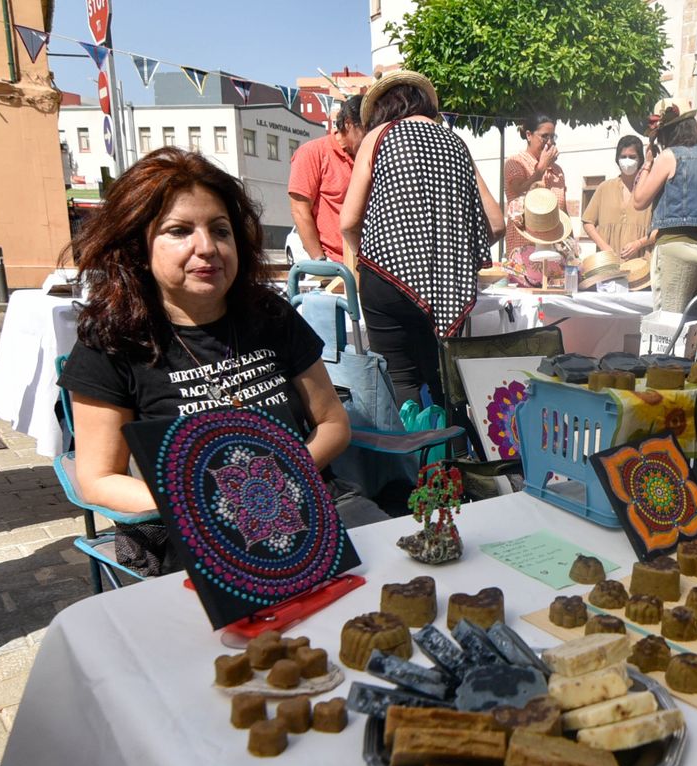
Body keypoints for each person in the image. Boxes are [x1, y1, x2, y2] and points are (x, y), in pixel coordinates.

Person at [59, 147, 387, 575]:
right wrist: (204, 504)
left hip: (312, 503)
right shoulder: (113, 342)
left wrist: (284, 482)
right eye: (179, 231)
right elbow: (98, 479)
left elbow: (332, 425)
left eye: (220, 230)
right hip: (194, 529)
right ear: (139, 247)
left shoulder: (270, 316)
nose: (207, 248)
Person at [340, 70, 504, 407]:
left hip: (386, 277)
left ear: (381, 108)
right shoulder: (456, 143)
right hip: (448, 286)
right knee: (444, 380)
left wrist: (366, 256)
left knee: (400, 378)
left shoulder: (378, 137)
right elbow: (496, 225)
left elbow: (349, 221)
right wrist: (454, 251)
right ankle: (455, 456)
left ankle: (411, 458)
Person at [632, 103, 697, 313]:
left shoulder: (669, 157)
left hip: (675, 250)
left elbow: (639, 201)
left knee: (669, 325)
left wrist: (647, 163)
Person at [288, 95, 365, 264]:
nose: (369, 136)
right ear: (349, 124)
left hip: (366, 264)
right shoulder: (313, 153)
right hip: (332, 263)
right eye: (366, 129)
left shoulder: (367, 157)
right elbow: (300, 210)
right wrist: (320, 262)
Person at [582, 136, 654, 261]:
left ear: (640, 159)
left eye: (632, 157)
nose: (627, 160)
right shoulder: (604, 188)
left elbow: (660, 230)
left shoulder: (650, 190)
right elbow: (588, 222)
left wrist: (639, 243)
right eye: (623, 157)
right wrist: (604, 247)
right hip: (608, 264)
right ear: (617, 159)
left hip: (640, 265)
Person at [503, 112, 565, 253]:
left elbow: (563, 212)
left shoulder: (557, 171)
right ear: (529, 135)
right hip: (524, 248)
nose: (549, 142)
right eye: (544, 136)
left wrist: (571, 246)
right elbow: (519, 191)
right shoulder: (516, 162)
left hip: (554, 249)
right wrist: (541, 168)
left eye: (552, 137)